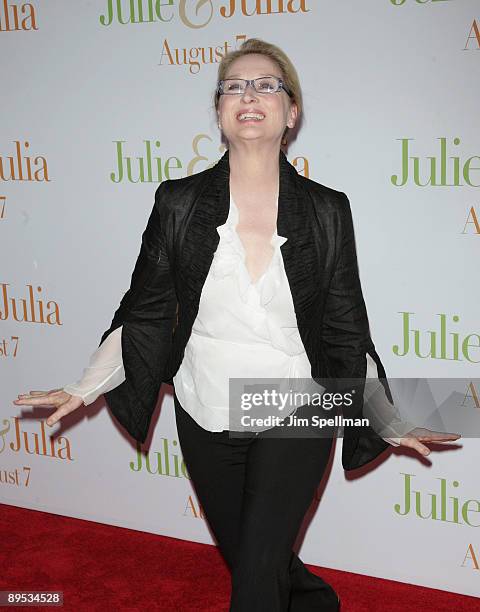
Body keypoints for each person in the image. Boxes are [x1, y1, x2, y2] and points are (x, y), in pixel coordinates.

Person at [14, 39, 460, 612]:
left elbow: (346, 330)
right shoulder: (177, 203)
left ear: (291, 111)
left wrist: (387, 416)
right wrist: (84, 387)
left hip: (302, 403)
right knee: (258, 557)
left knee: (251, 586)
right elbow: (145, 311)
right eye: (234, 86)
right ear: (220, 110)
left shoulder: (327, 210)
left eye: (266, 84)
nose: (249, 95)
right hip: (205, 404)